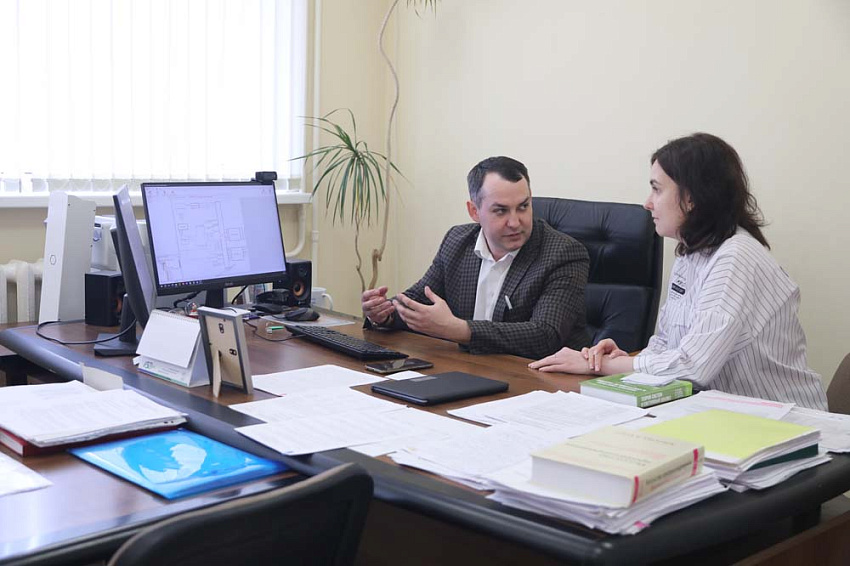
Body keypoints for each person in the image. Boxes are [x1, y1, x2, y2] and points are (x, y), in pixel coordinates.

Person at [529, 133, 827, 410]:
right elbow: (666, 344)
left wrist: (600, 366)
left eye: (657, 189)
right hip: (718, 414)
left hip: (784, 420)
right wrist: (624, 360)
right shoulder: (691, 252)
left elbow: (694, 366)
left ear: (692, 198)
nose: (647, 203)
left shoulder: (736, 257)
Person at [362, 156, 590, 359]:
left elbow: (545, 336)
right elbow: (419, 301)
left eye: (523, 207)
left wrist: (458, 329)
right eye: (501, 211)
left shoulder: (563, 253)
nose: (515, 222)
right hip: (470, 367)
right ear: (474, 211)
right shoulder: (457, 241)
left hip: (538, 378)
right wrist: (385, 314)